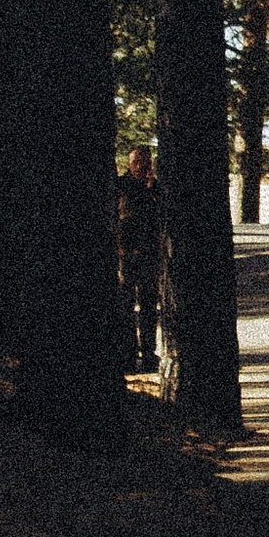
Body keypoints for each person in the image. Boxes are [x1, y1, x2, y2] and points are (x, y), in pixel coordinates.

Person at [116, 143, 161, 371]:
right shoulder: (120, 186)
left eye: (144, 162)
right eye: (135, 162)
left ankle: (149, 352)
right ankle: (128, 353)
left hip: (149, 256)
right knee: (125, 307)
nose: (139, 166)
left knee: (148, 307)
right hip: (125, 255)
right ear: (128, 163)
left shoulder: (157, 188)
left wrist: (153, 189)